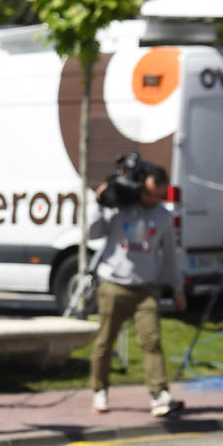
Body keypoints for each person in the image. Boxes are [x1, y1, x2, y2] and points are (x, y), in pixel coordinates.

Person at [88, 165, 187, 416]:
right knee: (105, 342)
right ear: (140, 187)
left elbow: (170, 256)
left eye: (158, 195)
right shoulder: (121, 207)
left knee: (152, 341)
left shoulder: (164, 217)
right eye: (148, 194)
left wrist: (177, 287)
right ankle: (99, 389)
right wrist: (99, 203)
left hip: (145, 288)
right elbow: (93, 232)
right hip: (113, 283)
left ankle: (159, 394)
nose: (152, 200)